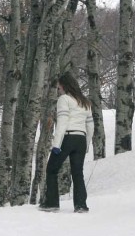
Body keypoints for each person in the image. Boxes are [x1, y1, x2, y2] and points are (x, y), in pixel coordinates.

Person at [39, 73, 94, 213]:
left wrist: (56, 144)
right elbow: (90, 127)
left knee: (52, 169)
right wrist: (87, 144)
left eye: (59, 87)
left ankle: (52, 203)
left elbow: (62, 122)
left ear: (63, 86)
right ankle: (81, 205)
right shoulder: (85, 102)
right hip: (81, 139)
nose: (58, 89)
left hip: (68, 137)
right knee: (77, 173)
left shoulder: (64, 99)